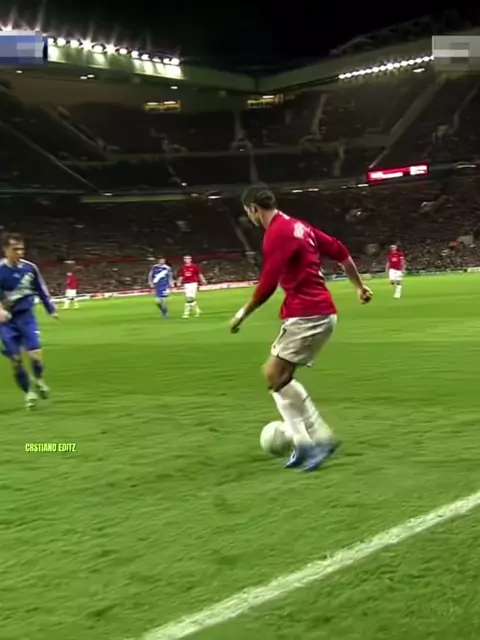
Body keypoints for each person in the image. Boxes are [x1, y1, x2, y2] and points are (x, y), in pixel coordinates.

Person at [229, 185, 372, 471]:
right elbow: (340, 250)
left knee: (273, 373)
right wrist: (358, 286)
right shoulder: (300, 226)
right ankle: (305, 443)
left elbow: (268, 285)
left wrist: (242, 314)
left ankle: (317, 439)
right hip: (317, 312)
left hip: (308, 313)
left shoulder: (277, 233)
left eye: (248, 213)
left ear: (254, 209)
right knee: (279, 377)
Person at [0, 232, 58, 409]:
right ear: (5, 250)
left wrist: (50, 309)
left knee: (36, 356)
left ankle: (38, 379)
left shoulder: (30, 268)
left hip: (26, 318)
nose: (20, 252)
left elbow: (41, 289)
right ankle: (28, 393)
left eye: (22, 249)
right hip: (6, 323)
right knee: (16, 361)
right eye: (15, 249)